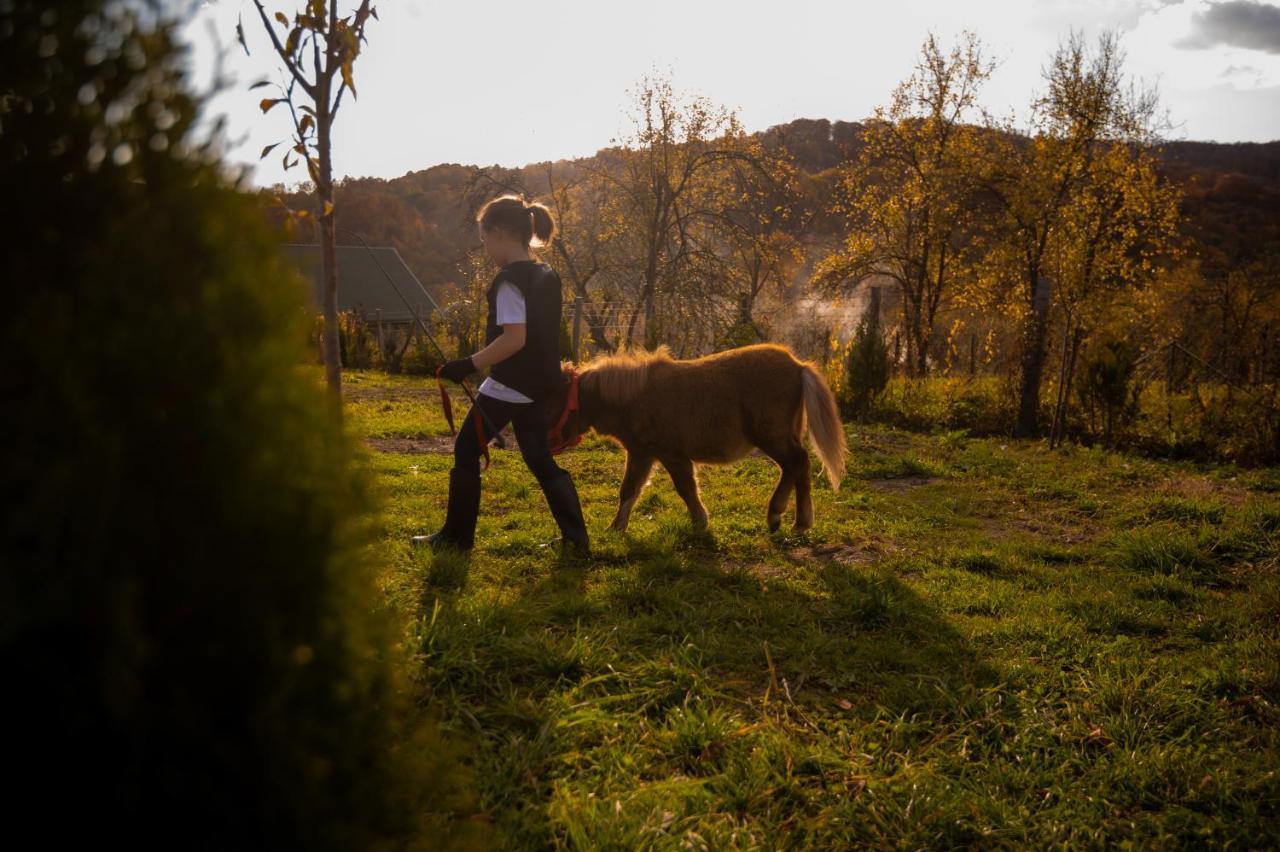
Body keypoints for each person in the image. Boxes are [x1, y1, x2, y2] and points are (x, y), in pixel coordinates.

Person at [413, 194, 589, 556]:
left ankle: (456, 539)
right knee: (539, 457)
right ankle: (576, 542)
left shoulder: (509, 280)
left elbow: (514, 338)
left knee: (465, 450)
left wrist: (468, 364)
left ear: (497, 233)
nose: (486, 249)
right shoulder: (546, 273)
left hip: (511, 384)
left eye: (484, 241)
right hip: (541, 384)